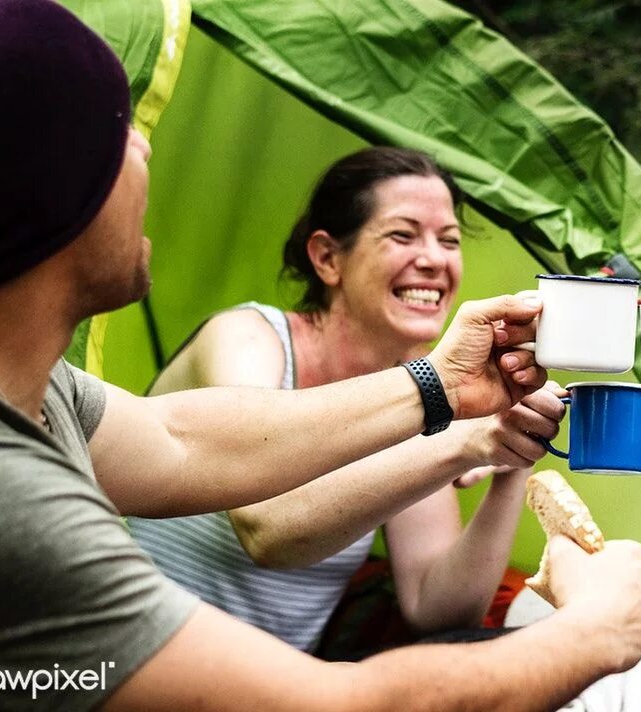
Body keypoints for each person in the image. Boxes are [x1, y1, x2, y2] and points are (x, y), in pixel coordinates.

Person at [0, 1, 641, 710]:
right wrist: (599, 629)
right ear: (49, 192)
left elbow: (182, 443)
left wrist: (472, 420)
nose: (145, 150)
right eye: (119, 136)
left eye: (449, 241)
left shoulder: (44, 393)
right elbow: (278, 553)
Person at [127, 147, 558, 652]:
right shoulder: (247, 339)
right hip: (124, 663)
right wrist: (465, 441)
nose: (435, 260)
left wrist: (511, 456)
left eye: (449, 241)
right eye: (403, 234)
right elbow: (269, 530)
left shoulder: (430, 393)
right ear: (328, 259)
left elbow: (435, 608)